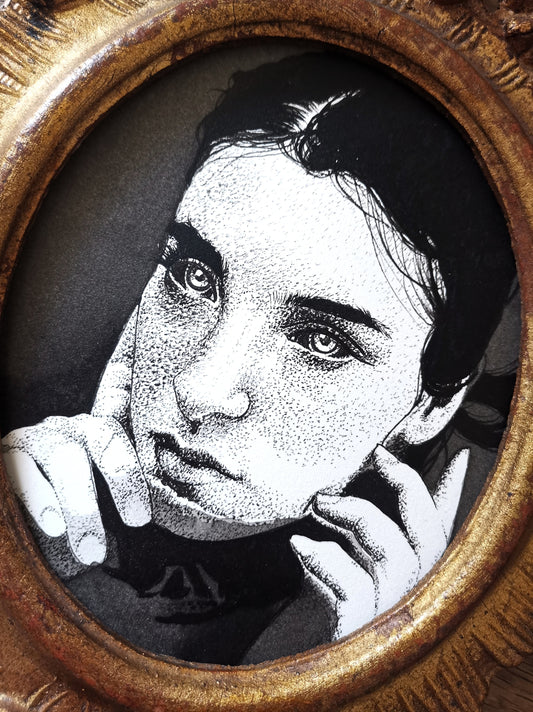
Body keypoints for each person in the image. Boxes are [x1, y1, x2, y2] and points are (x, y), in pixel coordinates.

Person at [1, 53, 516, 664]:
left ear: (433, 403)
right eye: (194, 276)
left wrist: (362, 679)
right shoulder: (23, 456)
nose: (200, 390)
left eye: (322, 341)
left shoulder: (458, 605)